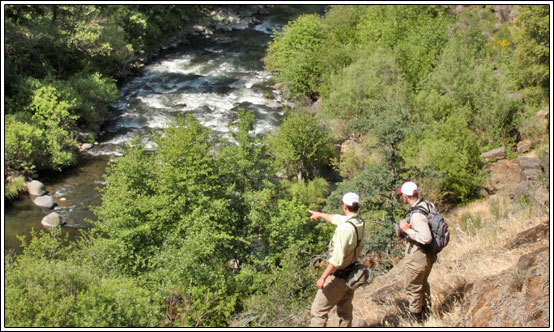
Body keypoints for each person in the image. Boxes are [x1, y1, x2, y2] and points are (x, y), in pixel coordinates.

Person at [308, 192, 364, 327]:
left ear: (345, 206)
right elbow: (336, 218)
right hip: (351, 274)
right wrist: (320, 214)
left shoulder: (343, 230)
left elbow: (336, 261)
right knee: (345, 311)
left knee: (318, 311)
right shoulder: (358, 222)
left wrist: (323, 278)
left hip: (338, 276)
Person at [396, 181, 437, 323]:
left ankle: (416, 318)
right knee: (423, 283)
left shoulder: (417, 215)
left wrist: (407, 230)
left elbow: (426, 238)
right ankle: (427, 313)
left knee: (413, 286)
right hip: (429, 254)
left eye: (403, 195)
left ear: (406, 197)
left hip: (419, 255)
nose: (402, 197)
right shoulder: (428, 204)